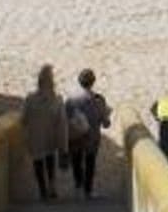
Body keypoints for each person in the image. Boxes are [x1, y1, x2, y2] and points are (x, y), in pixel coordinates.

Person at [22, 64, 67, 202]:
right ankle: (52, 187)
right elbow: (62, 124)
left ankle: (42, 191)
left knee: (38, 163)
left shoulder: (30, 99)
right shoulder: (57, 100)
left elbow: (24, 118)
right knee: (50, 160)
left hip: (35, 137)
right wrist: (63, 145)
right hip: (51, 137)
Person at [65, 69, 111, 199]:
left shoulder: (71, 99)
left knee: (76, 160)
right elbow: (106, 123)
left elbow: (65, 118)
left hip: (76, 136)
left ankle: (78, 185)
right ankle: (88, 190)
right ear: (93, 82)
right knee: (90, 162)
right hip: (92, 137)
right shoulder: (99, 99)